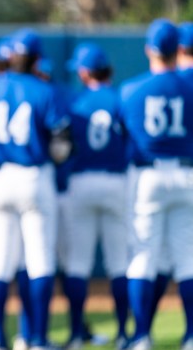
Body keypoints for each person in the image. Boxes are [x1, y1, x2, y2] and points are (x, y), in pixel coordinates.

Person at [0, 28, 69, 350]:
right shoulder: (44, 89)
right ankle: (35, 338)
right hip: (33, 176)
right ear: (36, 58)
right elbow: (62, 143)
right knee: (39, 261)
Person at [120, 18, 193, 350]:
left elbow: (122, 138)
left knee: (144, 256)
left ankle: (141, 336)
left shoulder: (131, 88)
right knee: (187, 258)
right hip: (186, 173)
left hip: (147, 175)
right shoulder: (190, 86)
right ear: (176, 48)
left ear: (149, 49)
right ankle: (191, 335)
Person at [60, 43, 129, 350]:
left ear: (85, 72)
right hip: (116, 181)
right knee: (119, 262)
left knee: (78, 263)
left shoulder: (75, 102)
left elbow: (61, 148)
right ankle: (127, 334)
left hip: (82, 182)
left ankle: (76, 334)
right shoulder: (119, 99)